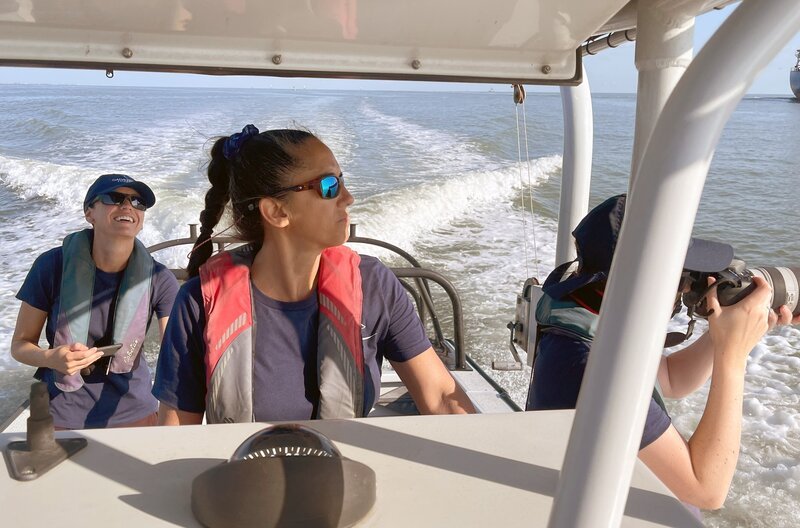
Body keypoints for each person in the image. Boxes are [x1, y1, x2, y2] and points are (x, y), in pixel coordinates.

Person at [153, 124, 474, 425]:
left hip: (346, 475)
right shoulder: (199, 302)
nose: (348, 198)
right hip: (243, 479)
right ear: (277, 212)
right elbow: (179, 432)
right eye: (329, 186)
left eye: (342, 180)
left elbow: (441, 396)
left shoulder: (374, 285)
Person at [526, 194, 799, 511]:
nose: (687, 287)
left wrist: (730, 332)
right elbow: (706, 490)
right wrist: (733, 358)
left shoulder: (589, 317)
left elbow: (672, 378)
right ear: (640, 283)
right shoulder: (596, 372)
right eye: (682, 275)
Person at [11, 174, 179, 429]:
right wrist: (51, 358)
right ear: (89, 213)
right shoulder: (52, 266)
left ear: (141, 219)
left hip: (134, 413)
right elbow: (20, 345)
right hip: (61, 413)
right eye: (115, 198)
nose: (128, 206)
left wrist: (171, 434)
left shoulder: (160, 278)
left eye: (138, 202)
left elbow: (174, 359)